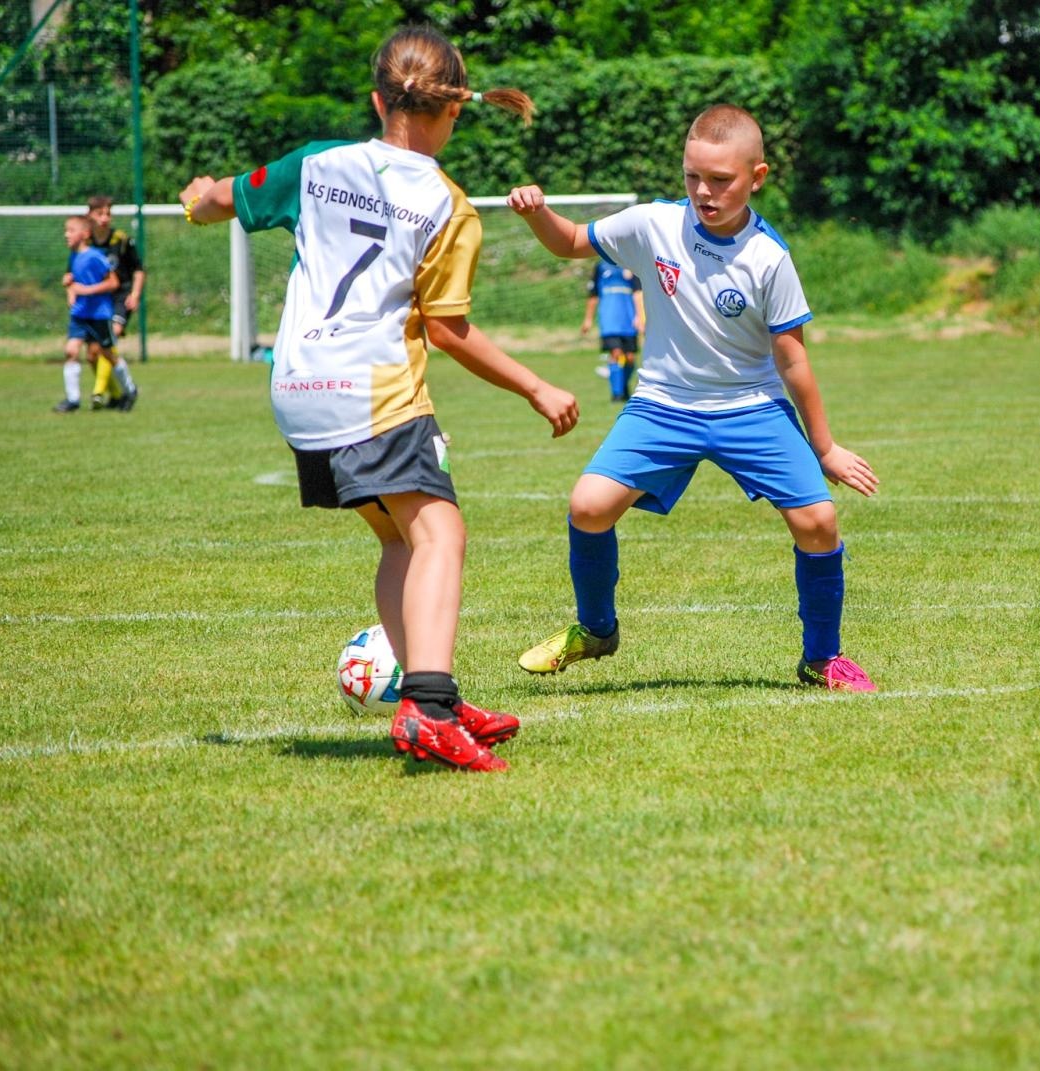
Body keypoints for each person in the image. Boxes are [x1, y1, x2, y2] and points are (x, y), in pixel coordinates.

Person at [178, 25, 579, 772]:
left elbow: (218, 199)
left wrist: (197, 200)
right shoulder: (448, 205)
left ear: (377, 99)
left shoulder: (318, 163)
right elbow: (449, 332)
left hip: (299, 386)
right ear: (453, 110)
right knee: (441, 534)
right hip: (374, 388)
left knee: (401, 535)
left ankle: (434, 698)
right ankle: (429, 706)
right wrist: (536, 384)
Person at [507, 103, 880, 692]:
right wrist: (538, 214)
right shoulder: (652, 224)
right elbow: (573, 241)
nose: (703, 191)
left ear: (756, 178)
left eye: (720, 180)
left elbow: (793, 359)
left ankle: (822, 659)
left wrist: (825, 447)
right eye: (692, 177)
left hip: (751, 406)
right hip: (663, 404)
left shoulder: (768, 257)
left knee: (819, 522)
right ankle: (596, 629)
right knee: (588, 506)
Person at [53, 215, 120, 413]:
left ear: (85, 234)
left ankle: (127, 391)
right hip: (80, 314)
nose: (66, 235)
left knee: (100, 355)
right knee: (71, 351)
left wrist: (84, 290)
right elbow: (74, 281)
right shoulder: (73, 256)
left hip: (99, 313)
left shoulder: (95, 255)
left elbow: (112, 282)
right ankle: (73, 400)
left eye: (70, 231)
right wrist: (70, 288)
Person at [86, 195, 143, 410]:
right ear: (90, 215)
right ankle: (118, 394)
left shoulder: (121, 240)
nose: (104, 218)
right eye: (100, 214)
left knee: (110, 339)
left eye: (108, 214)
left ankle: (99, 392)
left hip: (120, 297)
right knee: (93, 355)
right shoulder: (86, 243)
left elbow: (138, 269)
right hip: (95, 300)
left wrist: (135, 294)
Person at [582, 260, 644, 401]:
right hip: (609, 320)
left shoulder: (631, 262)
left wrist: (640, 316)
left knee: (629, 358)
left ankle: (623, 387)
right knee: (615, 353)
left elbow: (637, 293)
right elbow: (593, 295)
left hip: (628, 320)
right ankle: (617, 394)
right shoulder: (601, 267)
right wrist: (588, 319)